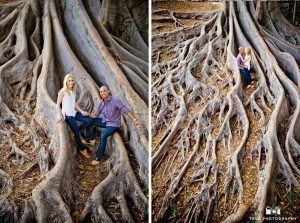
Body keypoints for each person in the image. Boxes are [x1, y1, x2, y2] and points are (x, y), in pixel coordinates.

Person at [87, 86, 142, 165]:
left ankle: (98, 158)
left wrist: (134, 119)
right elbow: (95, 115)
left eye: (104, 91)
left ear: (108, 91)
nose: (103, 93)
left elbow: (125, 109)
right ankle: (91, 139)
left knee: (103, 135)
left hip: (114, 124)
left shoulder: (115, 101)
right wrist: (88, 114)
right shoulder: (101, 103)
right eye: (101, 92)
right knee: (89, 120)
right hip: (105, 121)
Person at [56, 74, 92, 159]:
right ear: (66, 81)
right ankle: (82, 150)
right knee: (77, 134)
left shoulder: (72, 90)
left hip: (74, 112)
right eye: (69, 80)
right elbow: (57, 105)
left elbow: (74, 104)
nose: (71, 82)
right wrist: (59, 114)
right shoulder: (62, 91)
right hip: (68, 115)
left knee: (89, 120)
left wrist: (82, 111)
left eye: (72, 80)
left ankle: (74, 132)